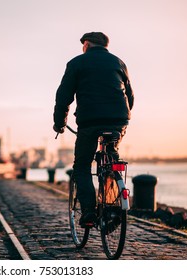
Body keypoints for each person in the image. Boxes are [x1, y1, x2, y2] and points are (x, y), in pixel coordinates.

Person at [53, 32, 134, 226]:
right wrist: (122, 117)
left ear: (87, 45)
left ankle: (89, 212)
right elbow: (130, 96)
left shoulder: (76, 63)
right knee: (111, 157)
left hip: (89, 121)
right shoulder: (119, 63)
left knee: (81, 166)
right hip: (118, 120)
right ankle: (112, 208)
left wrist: (60, 123)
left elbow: (63, 97)